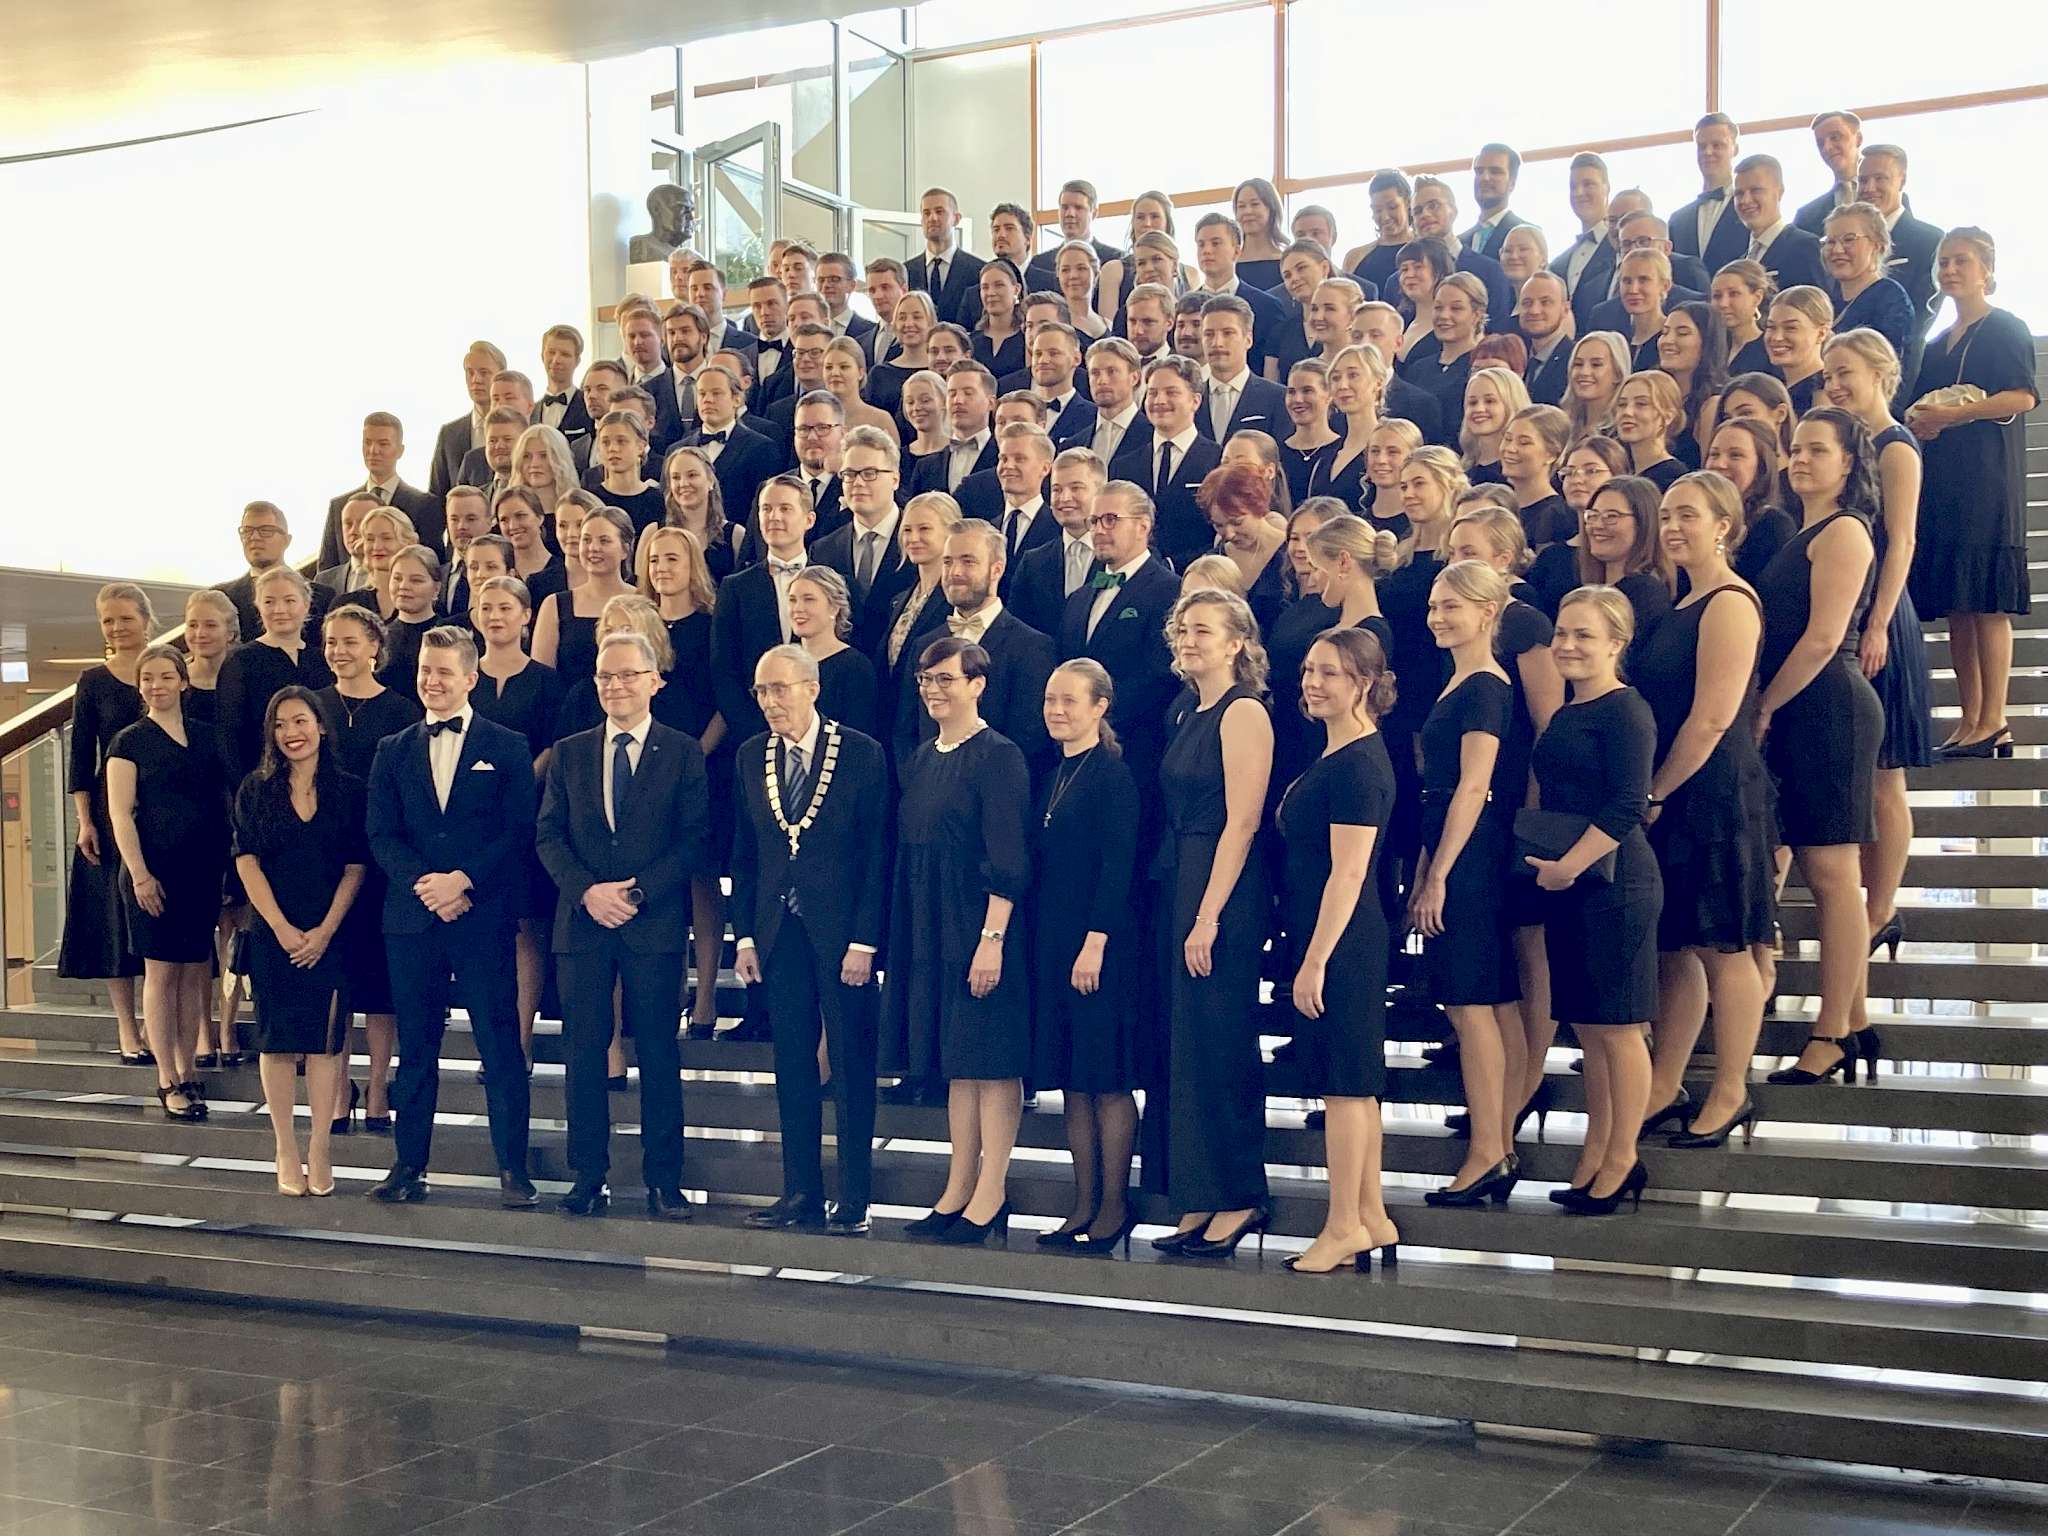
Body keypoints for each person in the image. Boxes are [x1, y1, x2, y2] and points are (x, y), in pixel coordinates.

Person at [534, 631, 709, 1219]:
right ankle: (588, 1176)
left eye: (628, 675)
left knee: (658, 1052)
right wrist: (587, 892)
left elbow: (693, 839)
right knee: (583, 1053)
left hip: (651, 923)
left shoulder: (682, 751)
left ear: (654, 680)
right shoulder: (570, 751)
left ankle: (664, 1180)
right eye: (606, 676)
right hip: (582, 923)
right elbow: (548, 835)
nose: (615, 686)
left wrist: (634, 893)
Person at [364, 627, 538, 1207]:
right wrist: (428, 886)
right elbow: (381, 833)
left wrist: (462, 881)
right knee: (417, 1048)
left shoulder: (507, 745)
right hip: (412, 918)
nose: (431, 681)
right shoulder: (392, 749)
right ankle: (408, 1165)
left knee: (500, 1045)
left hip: (482, 914)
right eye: (425, 671)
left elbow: (517, 829)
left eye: (443, 672)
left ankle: (513, 1169)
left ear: (470, 678)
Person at [1636, 473, 1777, 1149]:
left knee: (1726, 947)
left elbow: (1715, 718)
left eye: (1687, 515)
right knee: (1678, 948)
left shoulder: (1729, 601)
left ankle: (1731, 1090)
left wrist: (1657, 791)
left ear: (1723, 525)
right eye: (1666, 515)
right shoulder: (1681, 601)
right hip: (1677, 788)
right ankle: (1665, 1084)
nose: (1672, 526)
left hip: (1713, 791)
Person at [730, 646, 888, 1236]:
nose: (770, 702)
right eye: (761, 691)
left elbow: (876, 852)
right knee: (792, 1064)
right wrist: (745, 935)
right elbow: (745, 853)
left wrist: (866, 941)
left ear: (811, 688)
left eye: (780, 689)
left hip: (843, 934)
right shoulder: (751, 755)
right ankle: (800, 1191)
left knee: (849, 1063)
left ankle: (854, 1197)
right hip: (778, 931)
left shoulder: (862, 753)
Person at [884, 636, 1033, 1243]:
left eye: (947, 679)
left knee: (991, 1061)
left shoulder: (999, 756)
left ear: (978, 685)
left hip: (980, 924)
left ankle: (991, 1191)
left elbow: (1009, 856)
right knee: (959, 1064)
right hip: (932, 924)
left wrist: (991, 938)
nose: (934, 690)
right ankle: (958, 1186)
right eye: (926, 679)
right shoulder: (923, 756)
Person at [1756, 410, 1885, 1087]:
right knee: (1819, 868)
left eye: (1817, 450)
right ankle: (1854, 1019)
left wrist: (1765, 705)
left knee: (1832, 874)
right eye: (1796, 449)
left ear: (1848, 462)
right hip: (1801, 705)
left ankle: (1832, 1032)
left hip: (1828, 705)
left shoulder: (1845, 530)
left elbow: (1823, 638)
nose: (1801, 459)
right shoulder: (1801, 528)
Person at [1145, 591, 1273, 1259]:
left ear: (1236, 643)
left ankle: (1239, 1194)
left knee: (1220, 1039)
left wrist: (1209, 915)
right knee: (1187, 1042)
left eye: (1202, 630)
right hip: (1182, 876)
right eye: (1182, 629)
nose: (1188, 640)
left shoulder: (1243, 711)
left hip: (1221, 888)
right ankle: (1199, 1193)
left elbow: (1243, 822)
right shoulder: (1186, 708)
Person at [1526, 585, 1661, 1214]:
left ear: (1616, 643)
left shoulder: (1627, 710)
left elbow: (1629, 803)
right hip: (1570, 883)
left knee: (1620, 1027)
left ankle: (1624, 1155)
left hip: (1616, 884)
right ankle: (1598, 1148)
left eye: (1584, 635)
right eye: (1562, 633)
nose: (1568, 645)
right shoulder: (1565, 713)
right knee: (1589, 1027)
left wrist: (1569, 867)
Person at [1279, 628, 1401, 1272]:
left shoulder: (1358, 764)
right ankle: (1372, 1214)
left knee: (1346, 1087)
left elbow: (1348, 873)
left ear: (1363, 684)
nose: (1312, 682)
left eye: (1328, 672)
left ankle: (1343, 1224)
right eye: (1308, 669)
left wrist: (1316, 959)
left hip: (1343, 940)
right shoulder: (1338, 752)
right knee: (1352, 1084)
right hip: (1331, 933)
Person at [1414, 561, 1524, 1208]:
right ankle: (1496, 1143)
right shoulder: (1461, 678)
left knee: (1470, 1003)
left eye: (1451, 606)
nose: (1437, 616)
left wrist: (1440, 875)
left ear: (1488, 612)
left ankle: (1488, 1150)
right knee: (1485, 1003)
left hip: (1473, 855)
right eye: (1434, 605)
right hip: (1459, 849)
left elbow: (1474, 786)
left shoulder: (1484, 685)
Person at [1824, 331, 1934, 964]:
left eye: (1846, 372)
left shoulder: (1895, 445)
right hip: (1849, 610)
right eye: (1829, 375)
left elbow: (1903, 541)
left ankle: (1882, 908)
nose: (1835, 384)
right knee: (1861, 774)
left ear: (1880, 373)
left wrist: (1878, 622)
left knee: (1886, 776)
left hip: (1880, 616)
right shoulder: (1849, 444)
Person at [1027, 661, 1144, 1254]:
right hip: (1054, 941)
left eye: (1069, 700)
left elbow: (1118, 867)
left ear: (1100, 707)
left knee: (1106, 1076)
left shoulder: (1113, 777)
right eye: (1051, 699)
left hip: (1101, 946)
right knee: (1074, 1079)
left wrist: (1095, 941)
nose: (1056, 710)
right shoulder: (1052, 774)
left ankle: (1115, 1204)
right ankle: (1083, 1201)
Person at [1907, 228, 2038, 758]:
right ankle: (1970, 719)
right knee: (1958, 605)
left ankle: (1995, 718)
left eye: (1961, 260)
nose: (1950, 269)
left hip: (1988, 477)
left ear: (1985, 269)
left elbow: (2022, 396)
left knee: (1987, 602)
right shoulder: (1936, 343)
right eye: (1943, 261)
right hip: (1945, 481)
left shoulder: (2005, 326)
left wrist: (1954, 415)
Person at [233, 686, 365, 1193]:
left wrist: (325, 931)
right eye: (280, 724)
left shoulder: (348, 789)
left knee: (327, 1044)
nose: (291, 733)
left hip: (332, 933)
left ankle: (320, 1148)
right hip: (275, 933)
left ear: (321, 726)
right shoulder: (256, 789)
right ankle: (286, 1148)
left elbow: (355, 867)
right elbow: (247, 861)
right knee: (278, 1043)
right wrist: (282, 928)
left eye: (301, 721)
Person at [107, 642, 229, 1123]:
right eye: (147, 679)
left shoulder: (206, 736)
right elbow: (121, 814)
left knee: (191, 972)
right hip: (151, 872)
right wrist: (140, 875)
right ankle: (167, 1078)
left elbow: (221, 804)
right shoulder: (128, 742)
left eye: (164, 676)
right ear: (139, 687)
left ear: (182, 681)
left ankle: (186, 1067)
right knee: (160, 974)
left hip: (200, 872)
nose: (156, 686)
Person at [313, 604, 419, 1132]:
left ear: (375, 647)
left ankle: (377, 1086)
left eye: (350, 641)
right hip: (324, 862)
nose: (339, 651)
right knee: (336, 982)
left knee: (380, 984)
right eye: (331, 642)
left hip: (381, 865)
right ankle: (338, 1089)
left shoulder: (402, 711)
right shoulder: (311, 705)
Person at [58, 584, 150, 1060]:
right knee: (115, 920)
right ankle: (127, 1029)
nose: (117, 627)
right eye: (108, 621)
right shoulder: (93, 680)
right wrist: (84, 820)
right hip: (108, 807)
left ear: (146, 620)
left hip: (161, 803)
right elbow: (80, 755)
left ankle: (158, 1022)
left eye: (125, 618)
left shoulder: (166, 669)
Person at [216, 567, 336, 784]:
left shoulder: (322, 659)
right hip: (263, 782)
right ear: (258, 607)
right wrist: (247, 789)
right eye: (269, 602)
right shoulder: (241, 660)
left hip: (321, 781)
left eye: (289, 601)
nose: (279, 610)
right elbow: (229, 736)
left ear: (306, 604)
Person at [320, 411, 443, 568]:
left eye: (383, 444)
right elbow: (326, 569)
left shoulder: (425, 505)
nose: (373, 450)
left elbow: (433, 564)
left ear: (400, 450)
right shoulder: (339, 506)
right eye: (367, 443)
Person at [533, 505, 635, 691]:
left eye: (604, 541)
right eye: (586, 540)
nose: (593, 548)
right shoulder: (555, 605)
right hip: (569, 707)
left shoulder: (643, 602)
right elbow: (541, 679)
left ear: (625, 550)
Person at [1824, 203, 1918, 395]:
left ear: (1877, 246)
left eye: (1849, 239)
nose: (1837, 249)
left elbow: (1888, 371)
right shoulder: (1827, 300)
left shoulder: (1890, 298)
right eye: (1830, 242)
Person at [1855, 145, 1942, 330]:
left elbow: (1923, 316)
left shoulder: (1930, 241)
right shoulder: (1845, 241)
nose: (1869, 188)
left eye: (1880, 178)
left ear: (1902, 181)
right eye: (1863, 180)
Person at [1704, 417, 1799, 586]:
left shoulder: (1774, 526)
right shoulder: (1698, 520)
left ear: (1762, 466)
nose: (1719, 464)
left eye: (1735, 455)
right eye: (1714, 454)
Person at [786, 565, 878, 737]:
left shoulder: (856, 667)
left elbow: (859, 737)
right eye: (792, 600)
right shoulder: (782, 663)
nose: (798, 608)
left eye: (809, 599)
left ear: (834, 608)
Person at [1200, 465, 1290, 633]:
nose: (1229, 534)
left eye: (1237, 522)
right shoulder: (1215, 560)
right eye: (1219, 525)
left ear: (1260, 507)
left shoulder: (1291, 555)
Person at [1402, 273, 1487, 431]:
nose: (1444, 315)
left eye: (1456, 308)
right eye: (1438, 307)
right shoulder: (1418, 369)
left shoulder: (1482, 367)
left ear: (1476, 315)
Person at [1732, 155, 1829, 293]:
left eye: (1755, 190)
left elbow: (1816, 303)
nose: (1745, 200)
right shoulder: (1740, 259)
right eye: (1739, 193)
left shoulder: (1804, 246)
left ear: (1779, 192)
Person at [1307, 344, 1388, 509]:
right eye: (1336, 378)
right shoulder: (1325, 455)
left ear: (1378, 382)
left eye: (1353, 375)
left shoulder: (1389, 450)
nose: (1343, 385)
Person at [1198, 295, 1286, 443]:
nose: (1217, 343)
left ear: (1248, 339)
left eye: (1228, 333)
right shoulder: (1189, 398)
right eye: (1209, 334)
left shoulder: (1278, 398)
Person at [431, 340, 507, 498]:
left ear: (501, 375)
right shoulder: (449, 435)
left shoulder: (523, 428)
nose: (476, 380)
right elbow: (437, 495)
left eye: (484, 372)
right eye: (470, 372)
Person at [907, 186, 987, 328]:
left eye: (939, 212)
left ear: (956, 219)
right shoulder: (906, 271)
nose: (932, 218)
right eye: (926, 213)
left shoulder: (979, 270)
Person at [377, 544, 445, 702]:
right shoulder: (378, 636)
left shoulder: (448, 636)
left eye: (416, 580)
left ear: (436, 589)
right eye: (397, 578)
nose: (404, 586)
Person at [1612, 370, 1688, 490]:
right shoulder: (1620, 472)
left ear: (1668, 416)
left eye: (1641, 404)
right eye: (1622, 404)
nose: (1627, 412)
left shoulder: (1674, 480)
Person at [1764, 286, 1834, 415]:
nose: (1777, 337)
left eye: (1791, 328)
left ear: (1821, 333)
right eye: (1771, 327)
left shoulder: (1827, 390)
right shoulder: (1773, 388)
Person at [1794, 109, 1865, 234]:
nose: (1827, 148)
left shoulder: (1892, 199)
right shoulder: (1806, 217)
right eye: (1820, 143)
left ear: (1858, 139)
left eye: (1835, 138)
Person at [1459, 366, 1530, 484]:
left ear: (1512, 404)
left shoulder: (1522, 475)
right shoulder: (1460, 473)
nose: (1479, 409)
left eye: (1490, 401)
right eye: (1472, 402)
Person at [1711, 259, 1776, 377]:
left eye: (1734, 294)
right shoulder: (1709, 347)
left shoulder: (1770, 350)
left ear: (1757, 297)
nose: (1723, 303)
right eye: (1717, 296)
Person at [1564, 331, 1630, 440]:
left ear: (1618, 374)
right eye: (1578, 364)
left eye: (1596, 364)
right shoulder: (1563, 426)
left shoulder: (1623, 432)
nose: (1584, 372)